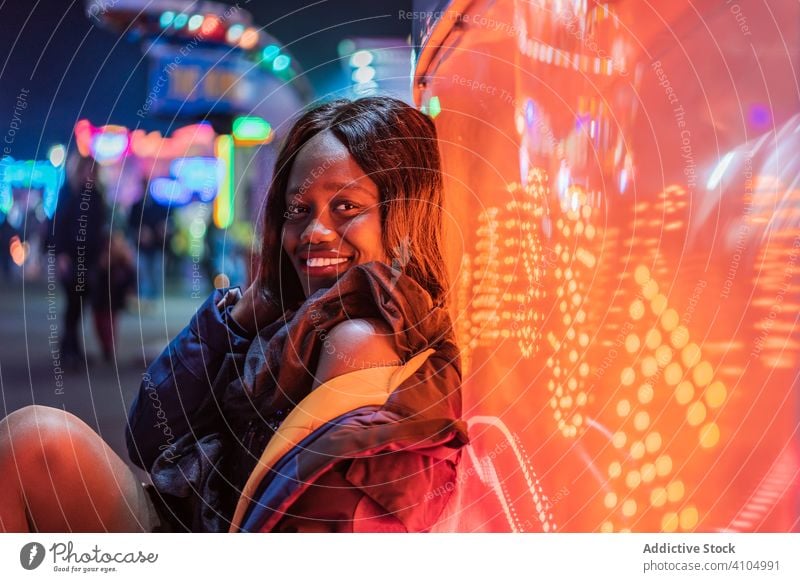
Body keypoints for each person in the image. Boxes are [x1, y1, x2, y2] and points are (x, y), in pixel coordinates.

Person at [0, 96, 467, 532]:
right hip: (195, 516)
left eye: (346, 206)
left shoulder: (357, 341)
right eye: (298, 209)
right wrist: (243, 312)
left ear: (404, 212)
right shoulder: (295, 316)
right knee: (35, 442)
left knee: (32, 441)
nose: (314, 232)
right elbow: (148, 437)